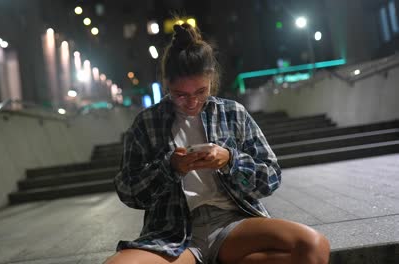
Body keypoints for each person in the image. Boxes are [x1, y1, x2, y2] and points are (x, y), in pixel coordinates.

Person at [106, 23, 330, 264]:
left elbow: (271, 178)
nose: (191, 102)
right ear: (166, 84)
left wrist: (230, 160)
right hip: (172, 233)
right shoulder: (147, 123)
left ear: (211, 80)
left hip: (233, 224)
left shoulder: (233, 113)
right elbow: (128, 191)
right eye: (180, 94)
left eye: (200, 91)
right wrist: (169, 167)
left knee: (313, 246)